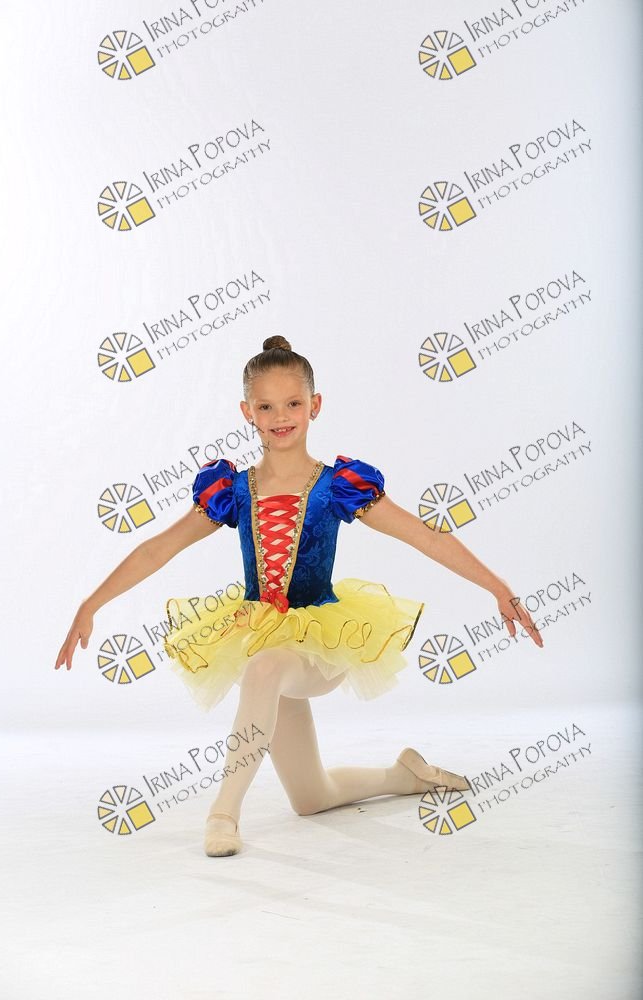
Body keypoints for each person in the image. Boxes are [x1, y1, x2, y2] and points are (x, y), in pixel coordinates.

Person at [55, 336, 543, 857]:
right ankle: (405, 775)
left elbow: (425, 537)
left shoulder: (338, 487)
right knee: (311, 797)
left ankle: (223, 813)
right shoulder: (232, 491)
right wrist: (91, 603)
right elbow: (158, 548)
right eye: (265, 406)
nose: (280, 416)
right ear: (247, 412)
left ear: (315, 405)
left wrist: (498, 587)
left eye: (292, 403)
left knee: (264, 668)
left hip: (322, 641)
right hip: (259, 636)